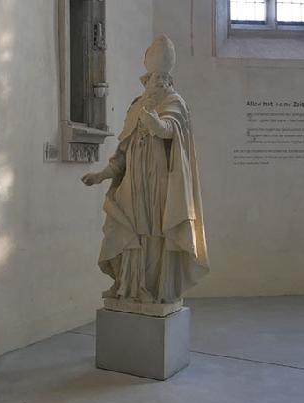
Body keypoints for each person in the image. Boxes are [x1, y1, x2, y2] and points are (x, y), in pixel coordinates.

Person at [82, 35, 209, 309]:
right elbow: (123, 154)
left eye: (160, 80)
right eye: (152, 80)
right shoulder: (137, 105)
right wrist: (102, 174)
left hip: (159, 185)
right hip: (132, 184)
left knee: (154, 236)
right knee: (127, 231)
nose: (155, 84)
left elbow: (169, 129)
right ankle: (128, 286)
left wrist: (155, 123)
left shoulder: (175, 102)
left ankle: (151, 287)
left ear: (167, 79)